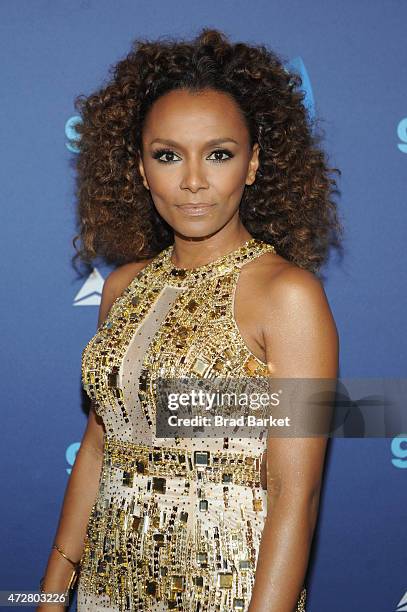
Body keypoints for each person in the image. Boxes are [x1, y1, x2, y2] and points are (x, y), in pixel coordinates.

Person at [37, 27, 342, 612]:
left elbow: (293, 497)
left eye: (220, 154)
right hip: (106, 585)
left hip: (224, 593)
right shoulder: (123, 287)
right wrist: (48, 598)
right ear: (141, 168)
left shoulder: (287, 296)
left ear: (252, 164)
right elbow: (101, 447)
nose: (194, 180)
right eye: (169, 155)